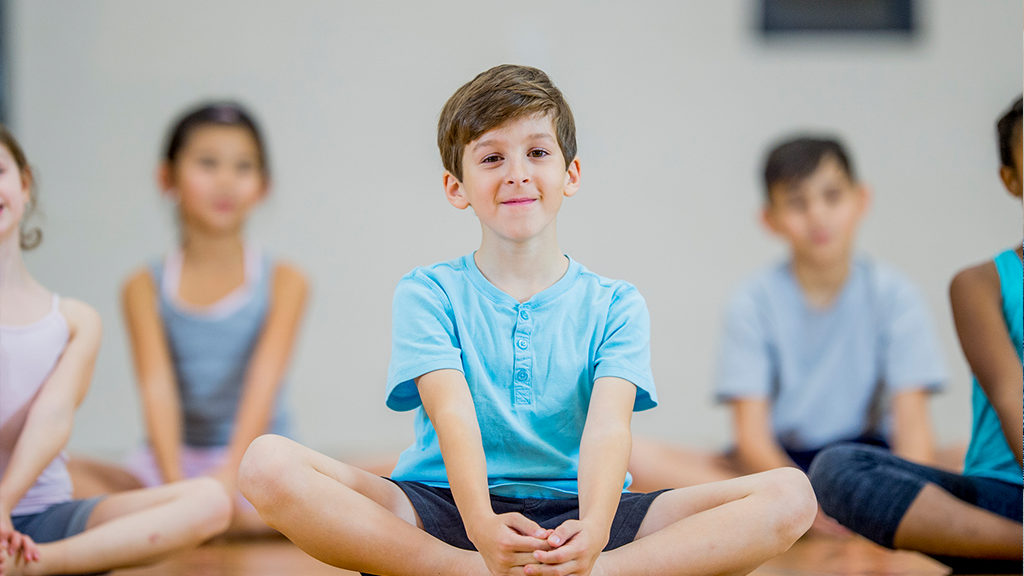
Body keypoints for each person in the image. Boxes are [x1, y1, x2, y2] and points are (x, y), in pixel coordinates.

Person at [238, 64, 816, 576]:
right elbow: (452, 414)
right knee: (267, 465)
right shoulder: (427, 292)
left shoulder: (616, 303)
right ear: (456, 187)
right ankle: (465, 573)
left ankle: (593, 574)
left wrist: (593, 532)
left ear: (571, 174)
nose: (516, 173)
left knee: (791, 495)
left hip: (587, 516)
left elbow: (609, 428)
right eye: (492, 158)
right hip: (443, 506)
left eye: (537, 153)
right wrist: (483, 529)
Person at [630, 136, 948, 536]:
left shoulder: (896, 295)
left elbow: (913, 425)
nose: (818, 216)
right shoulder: (753, 300)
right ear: (771, 218)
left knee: (976, 455)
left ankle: (790, 516)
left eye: (832, 196)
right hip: (779, 466)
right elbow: (750, 436)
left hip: (866, 460)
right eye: (797, 203)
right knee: (629, 454)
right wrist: (809, 504)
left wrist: (896, 500)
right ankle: (800, 513)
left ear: (860, 200)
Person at [0, 123, 231, 576]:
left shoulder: (74, 321)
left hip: (44, 518)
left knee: (209, 501)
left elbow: (52, 418)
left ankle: (33, 565)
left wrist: (3, 505)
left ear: (24, 184)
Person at [70, 102, 309, 537]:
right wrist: (179, 487)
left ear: (263, 185)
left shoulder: (285, 281)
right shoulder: (143, 285)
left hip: (258, 464)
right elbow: (156, 388)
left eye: (243, 166)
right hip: (167, 465)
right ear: (167, 178)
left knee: (386, 474)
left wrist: (225, 480)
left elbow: (263, 383)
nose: (225, 180)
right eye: (207, 163)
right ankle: (213, 518)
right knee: (58, 474)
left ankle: (219, 517)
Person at [808, 96, 1024, 572]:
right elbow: (1014, 400)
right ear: (1010, 179)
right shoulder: (982, 284)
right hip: (1007, 498)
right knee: (838, 470)